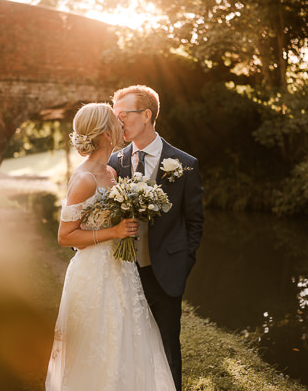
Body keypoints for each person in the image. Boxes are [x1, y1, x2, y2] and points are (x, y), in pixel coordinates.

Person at [45, 103, 176, 391]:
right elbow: (65, 237)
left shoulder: (110, 173)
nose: (122, 125)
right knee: (98, 343)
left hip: (121, 270)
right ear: (106, 133)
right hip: (92, 274)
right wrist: (113, 231)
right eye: (117, 122)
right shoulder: (84, 179)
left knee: (126, 338)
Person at [108, 85, 205, 391]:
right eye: (115, 115)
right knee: (126, 346)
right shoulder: (114, 163)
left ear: (146, 115)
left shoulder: (185, 164)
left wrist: (182, 263)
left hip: (166, 273)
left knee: (167, 349)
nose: (118, 121)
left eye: (124, 114)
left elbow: (195, 222)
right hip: (122, 272)